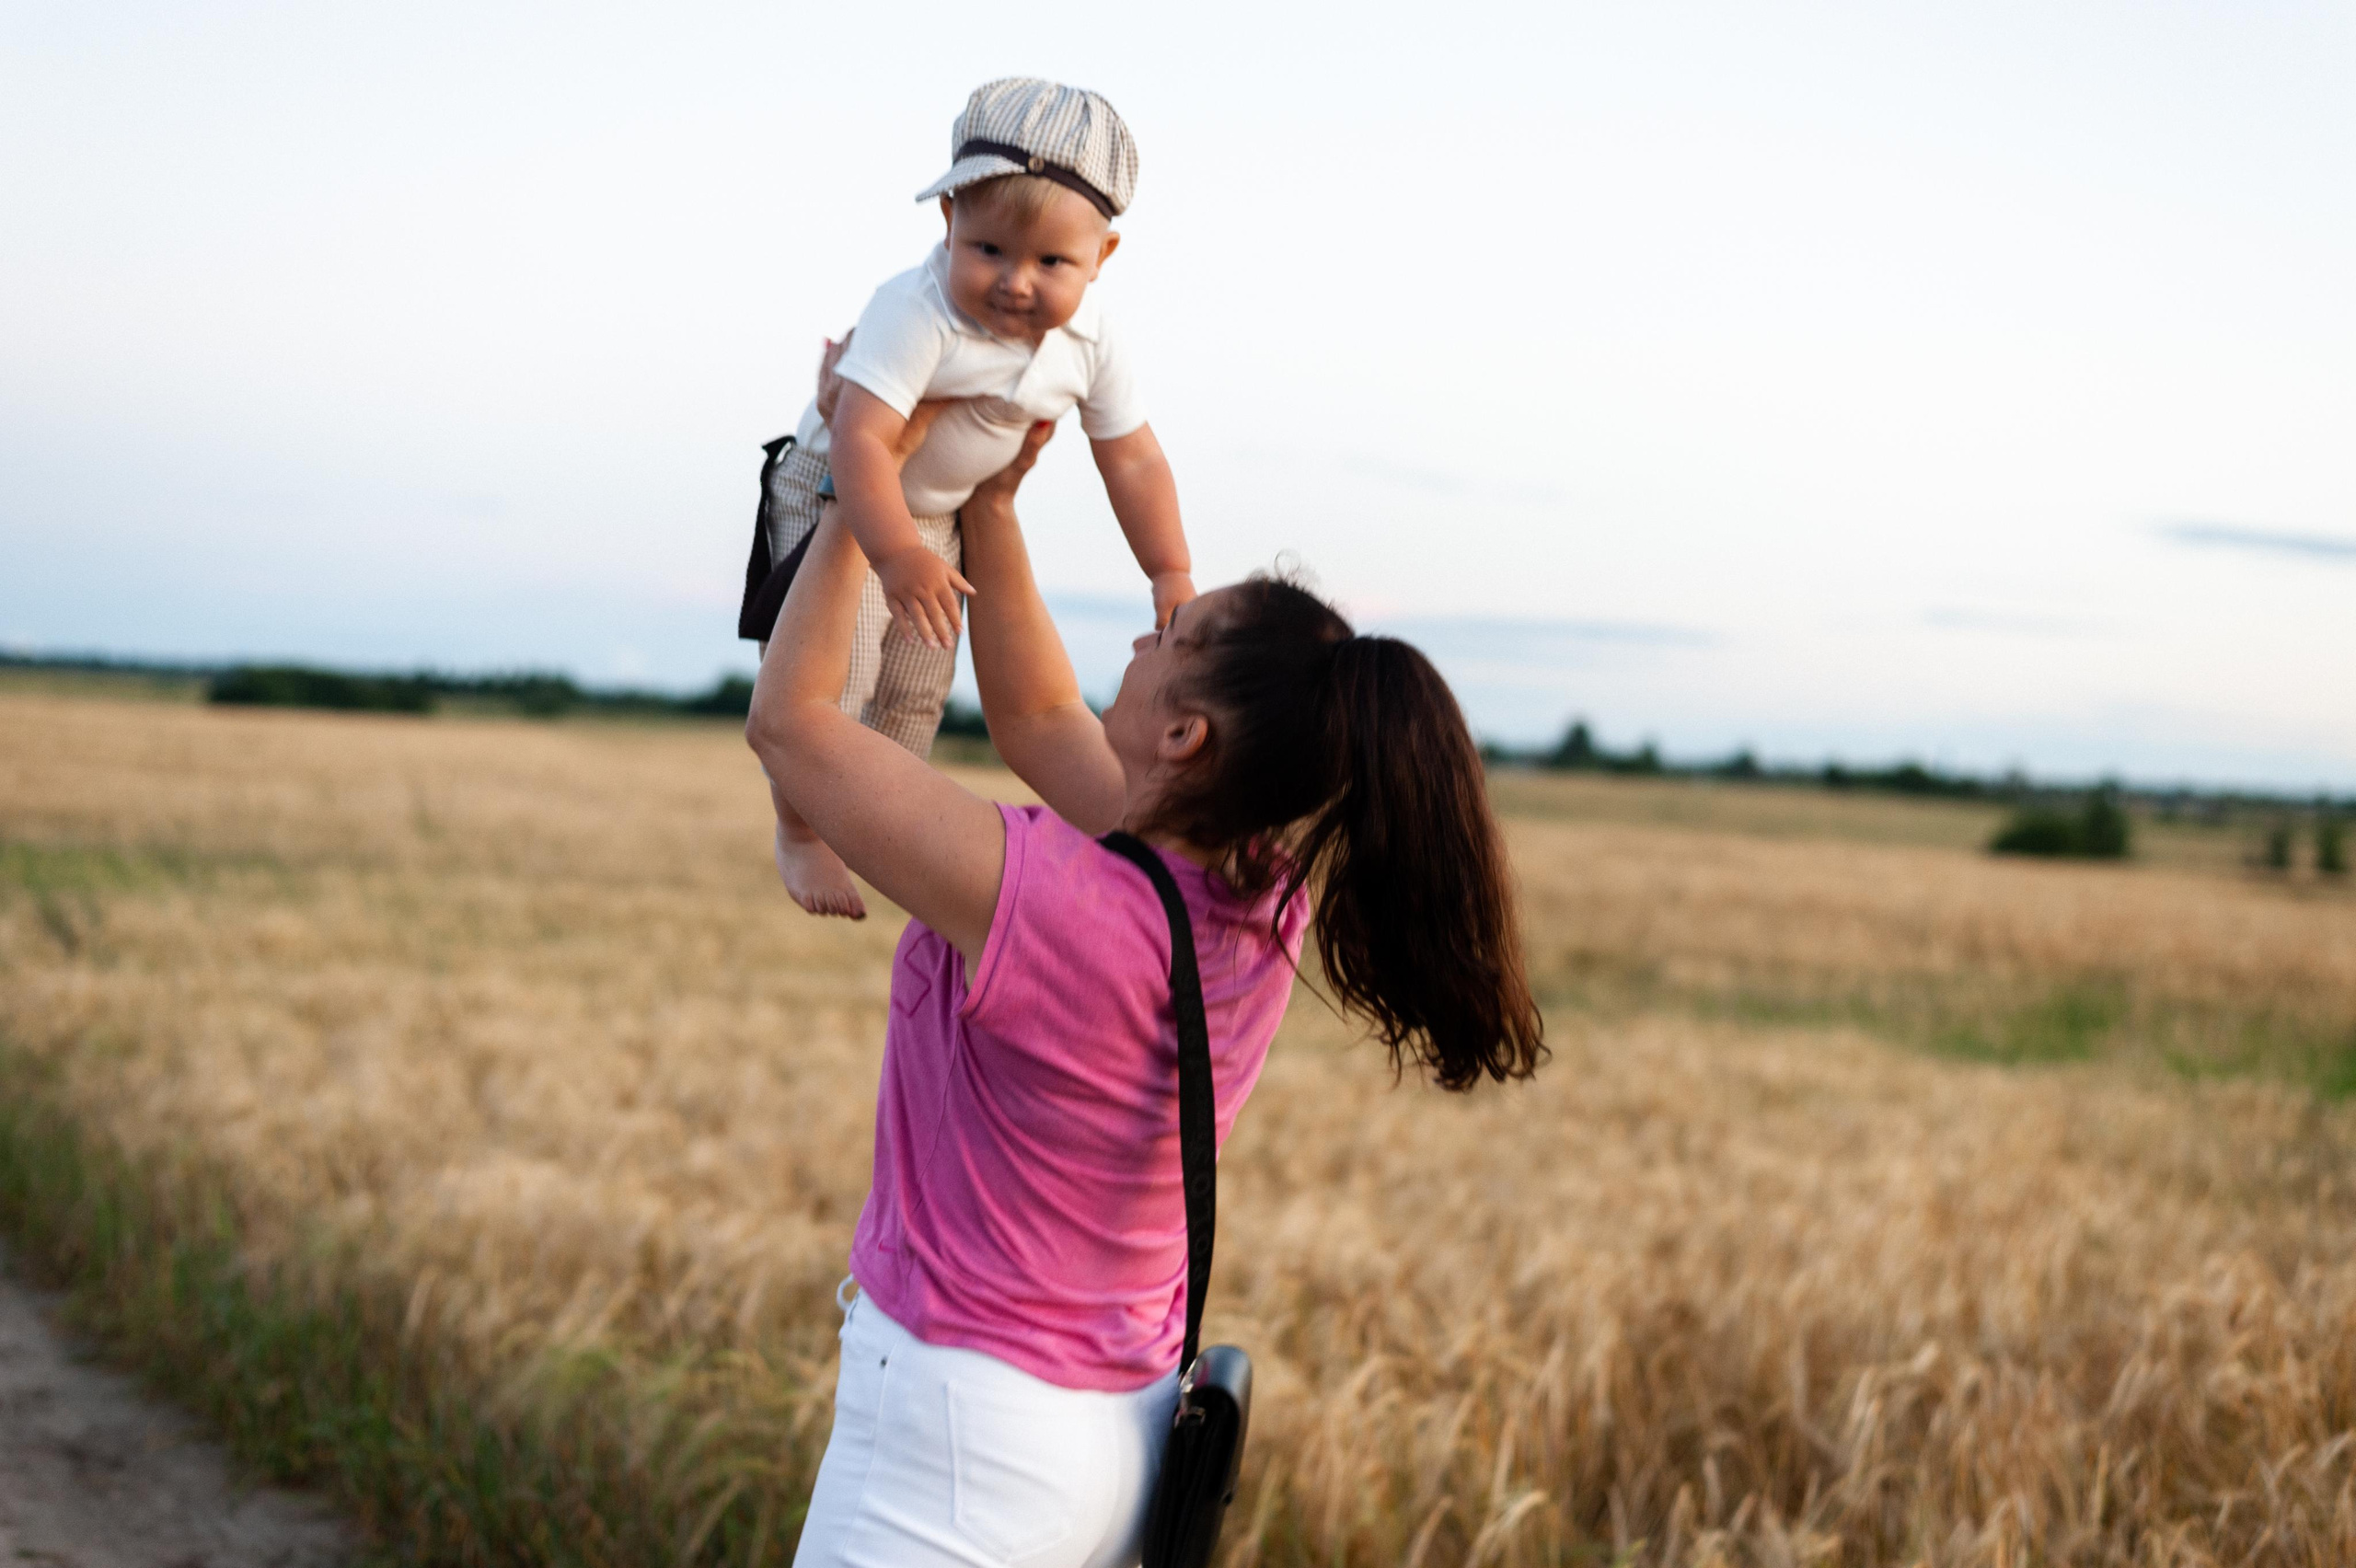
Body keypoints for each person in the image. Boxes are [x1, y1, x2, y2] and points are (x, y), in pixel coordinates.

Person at [745, 414, 1546, 1568]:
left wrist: (856, 486)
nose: (1142, 635)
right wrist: (992, 508)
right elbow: (1036, 720)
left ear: (1183, 735)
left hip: (957, 1447)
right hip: (1118, 1440)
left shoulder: (1049, 901)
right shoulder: (1260, 901)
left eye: (1172, 634)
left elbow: (791, 725)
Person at [746, 76, 1195, 921]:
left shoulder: (1093, 340)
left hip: (941, 516)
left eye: (1051, 262)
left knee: (917, 687)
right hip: (846, 497)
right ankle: (801, 829)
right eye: (989, 249)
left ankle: (870, 823)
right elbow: (862, 439)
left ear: (1102, 256)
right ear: (949, 221)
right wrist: (894, 553)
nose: (1015, 282)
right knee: (834, 684)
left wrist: (1169, 569)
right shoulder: (914, 312)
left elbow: (1132, 458)